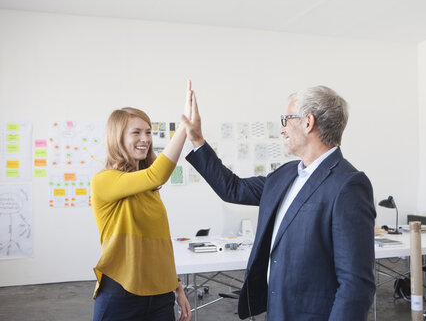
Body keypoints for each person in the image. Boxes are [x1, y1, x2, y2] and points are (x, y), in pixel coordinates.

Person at [181, 85, 376, 320]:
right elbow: (232, 188)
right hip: (277, 311)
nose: (282, 130)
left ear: (308, 122)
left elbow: (356, 284)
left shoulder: (348, 185)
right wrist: (197, 140)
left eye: (286, 120)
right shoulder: (284, 175)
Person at [91, 84, 193, 321]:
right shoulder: (104, 181)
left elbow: (158, 248)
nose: (145, 139)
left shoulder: (150, 191)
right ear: (117, 137)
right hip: (120, 294)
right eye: (136, 132)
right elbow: (157, 174)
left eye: (148, 132)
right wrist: (185, 125)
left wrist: (177, 287)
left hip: (160, 296)